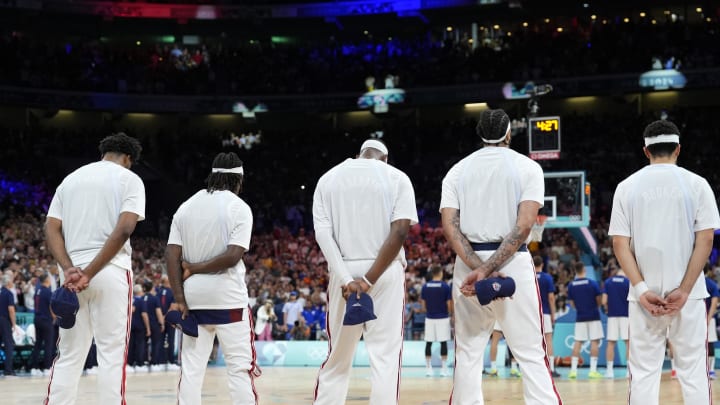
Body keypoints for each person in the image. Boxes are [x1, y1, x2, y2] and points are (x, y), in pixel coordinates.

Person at [440, 109, 561, 404]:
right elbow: (524, 226)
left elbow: (450, 227)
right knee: (530, 351)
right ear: (509, 133)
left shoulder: (457, 170)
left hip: (467, 263)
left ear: (479, 134)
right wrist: (490, 269)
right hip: (512, 261)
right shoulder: (528, 167)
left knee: (467, 351)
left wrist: (479, 269)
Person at [609, 120, 719, 405]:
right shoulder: (698, 184)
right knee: (694, 373)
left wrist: (642, 289)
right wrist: (683, 289)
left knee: (643, 375)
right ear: (678, 149)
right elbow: (705, 241)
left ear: (645, 151)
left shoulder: (626, 187)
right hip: (690, 297)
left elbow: (619, 244)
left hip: (644, 300)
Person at [313, 139, 417, 405]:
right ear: (385, 159)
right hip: (384, 272)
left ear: (358, 155)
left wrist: (347, 279)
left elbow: (323, 235)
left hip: (343, 272)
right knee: (385, 357)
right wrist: (368, 280)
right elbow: (400, 231)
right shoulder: (397, 177)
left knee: (337, 357)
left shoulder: (328, 178)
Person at [44, 132, 145, 403]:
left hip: (71, 274)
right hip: (110, 270)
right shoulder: (130, 179)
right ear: (127, 158)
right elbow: (125, 228)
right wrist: (90, 272)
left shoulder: (71, 180)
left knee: (69, 354)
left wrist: (69, 268)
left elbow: (51, 227)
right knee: (111, 354)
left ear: (103, 153)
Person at [166, 152, 259, 405]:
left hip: (194, 297)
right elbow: (232, 256)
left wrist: (179, 298)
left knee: (191, 369)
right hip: (227, 296)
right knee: (240, 368)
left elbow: (171, 254)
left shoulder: (186, 206)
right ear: (238, 180)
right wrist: (196, 267)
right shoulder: (239, 207)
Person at [567, 262, 603, 379]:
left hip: (580, 317)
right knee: (594, 341)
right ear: (584, 270)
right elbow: (599, 300)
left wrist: (580, 307)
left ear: (575, 271)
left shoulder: (572, 285)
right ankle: (592, 371)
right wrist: (594, 306)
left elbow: (572, 304)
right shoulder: (592, 284)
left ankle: (573, 371)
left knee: (577, 341)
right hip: (593, 315)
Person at [420, 264, 453, 377]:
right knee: (443, 343)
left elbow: (423, 305)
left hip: (430, 318)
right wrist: (450, 313)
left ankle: (428, 368)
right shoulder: (445, 286)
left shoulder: (425, 286)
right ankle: (444, 369)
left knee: (428, 343)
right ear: (440, 273)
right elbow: (449, 304)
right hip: (443, 317)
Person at [534, 255, 560, 377]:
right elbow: (551, 298)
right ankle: (551, 368)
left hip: (532, 313)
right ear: (542, 265)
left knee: (533, 341)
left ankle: (535, 370)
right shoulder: (547, 278)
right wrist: (553, 313)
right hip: (545, 312)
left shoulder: (529, 276)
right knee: (548, 340)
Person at [602, 268, 630, 378]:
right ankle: (629, 371)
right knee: (628, 343)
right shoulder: (628, 282)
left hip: (612, 316)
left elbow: (604, 301)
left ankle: (609, 371)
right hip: (626, 316)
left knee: (611, 344)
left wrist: (607, 307)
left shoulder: (608, 282)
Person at [29, 274, 55, 376]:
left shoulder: (37, 291)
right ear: (47, 280)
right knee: (48, 345)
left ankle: (34, 368)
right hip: (46, 320)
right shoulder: (48, 292)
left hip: (37, 319)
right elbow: (51, 307)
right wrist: (55, 318)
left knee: (38, 344)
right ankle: (46, 368)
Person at [157, 275, 179, 369]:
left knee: (160, 340)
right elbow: (173, 306)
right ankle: (171, 362)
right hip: (170, 320)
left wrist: (161, 318)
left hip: (159, 320)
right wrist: (165, 317)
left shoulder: (158, 291)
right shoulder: (173, 292)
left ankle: (161, 361)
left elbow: (156, 307)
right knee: (171, 340)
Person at [143, 281, 165, 372]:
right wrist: (162, 323)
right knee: (156, 343)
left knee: (143, 344)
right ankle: (154, 363)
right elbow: (158, 312)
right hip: (154, 324)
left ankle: (143, 362)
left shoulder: (142, 297)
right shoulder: (155, 299)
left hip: (143, 324)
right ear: (152, 287)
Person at [127, 284, 150, 373]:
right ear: (140, 292)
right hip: (140, 326)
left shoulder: (130, 300)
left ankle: (130, 363)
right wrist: (148, 328)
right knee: (140, 345)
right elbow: (144, 315)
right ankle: (140, 364)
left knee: (131, 345)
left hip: (130, 326)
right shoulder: (141, 301)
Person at [0, 274, 17, 377]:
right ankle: (8, 370)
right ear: (8, 282)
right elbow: (11, 310)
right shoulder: (9, 293)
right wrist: (14, 324)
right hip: (4, 320)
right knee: (9, 345)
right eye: (12, 281)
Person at [704, 265, 719, 379]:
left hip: (700, 318)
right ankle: (711, 370)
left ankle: (710, 370)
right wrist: (709, 318)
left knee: (707, 344)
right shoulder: (711, 283)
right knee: (709, 344)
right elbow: (715, 301)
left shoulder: (692, 282)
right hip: (707, 318)